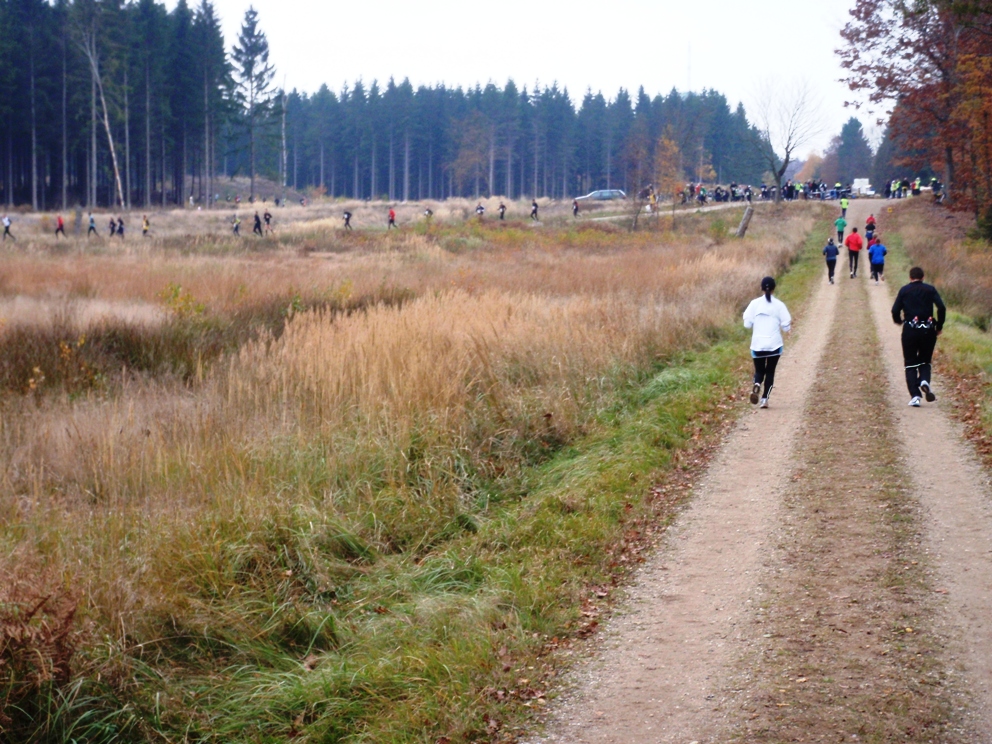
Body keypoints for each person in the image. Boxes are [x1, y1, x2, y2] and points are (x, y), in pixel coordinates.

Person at [892, 266, 946, 407]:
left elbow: (895, 309)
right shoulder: (930, 289)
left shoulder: (904, 290)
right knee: (925, 360)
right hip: (928, 330)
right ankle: (924, 380)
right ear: (923, 277)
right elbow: (941, 307)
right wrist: (939, 326)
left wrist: (898, 320)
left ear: (910, 277)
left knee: (910, 363)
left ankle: (915, 396)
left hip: (910, 330)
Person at [743, 276, 792, 409]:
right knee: (770, 372)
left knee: (759, 371)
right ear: (774, 288)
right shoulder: (780, 305)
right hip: (774, 345)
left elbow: (747, 324)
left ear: (761, 288)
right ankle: (765, 399)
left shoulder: (754, 304)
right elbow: (786, 325)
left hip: (757, 344)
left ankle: (757, 383)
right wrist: (787, 328)